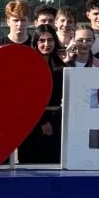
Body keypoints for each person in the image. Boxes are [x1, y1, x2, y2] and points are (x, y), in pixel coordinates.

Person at [19, 25, 64, 163]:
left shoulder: (60, 65)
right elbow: (26, 98)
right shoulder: (28, 65)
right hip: (32, 121)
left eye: (50, 40)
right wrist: (43, 121)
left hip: (56, 120)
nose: (46, 44)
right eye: (42, 41)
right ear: (35, 42)